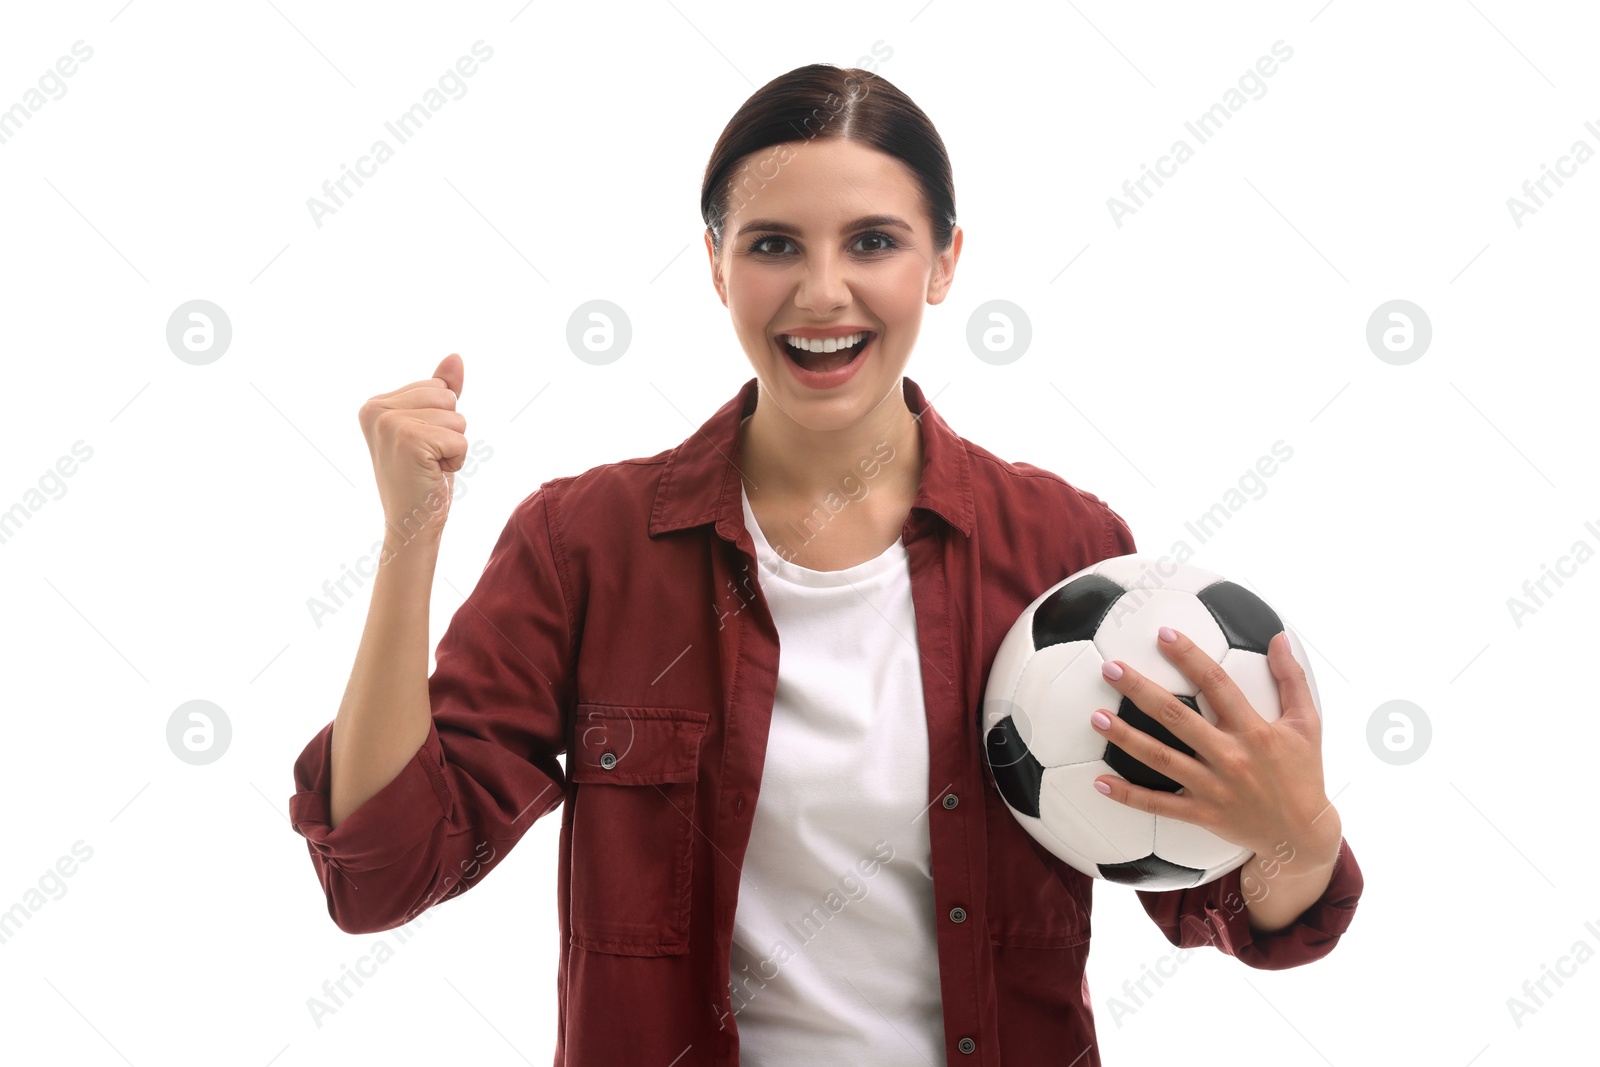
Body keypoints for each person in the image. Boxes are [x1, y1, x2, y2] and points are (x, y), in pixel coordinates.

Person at [288, 63, 1363, 1066]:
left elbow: (1215, 903)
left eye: (872, 242)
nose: (821, 292)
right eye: (772, 246)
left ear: (943, 261)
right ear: (714, 264)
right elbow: (386, 871)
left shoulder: (1063, 551)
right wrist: (409, 538)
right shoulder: (587, 545)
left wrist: (1295, 832)